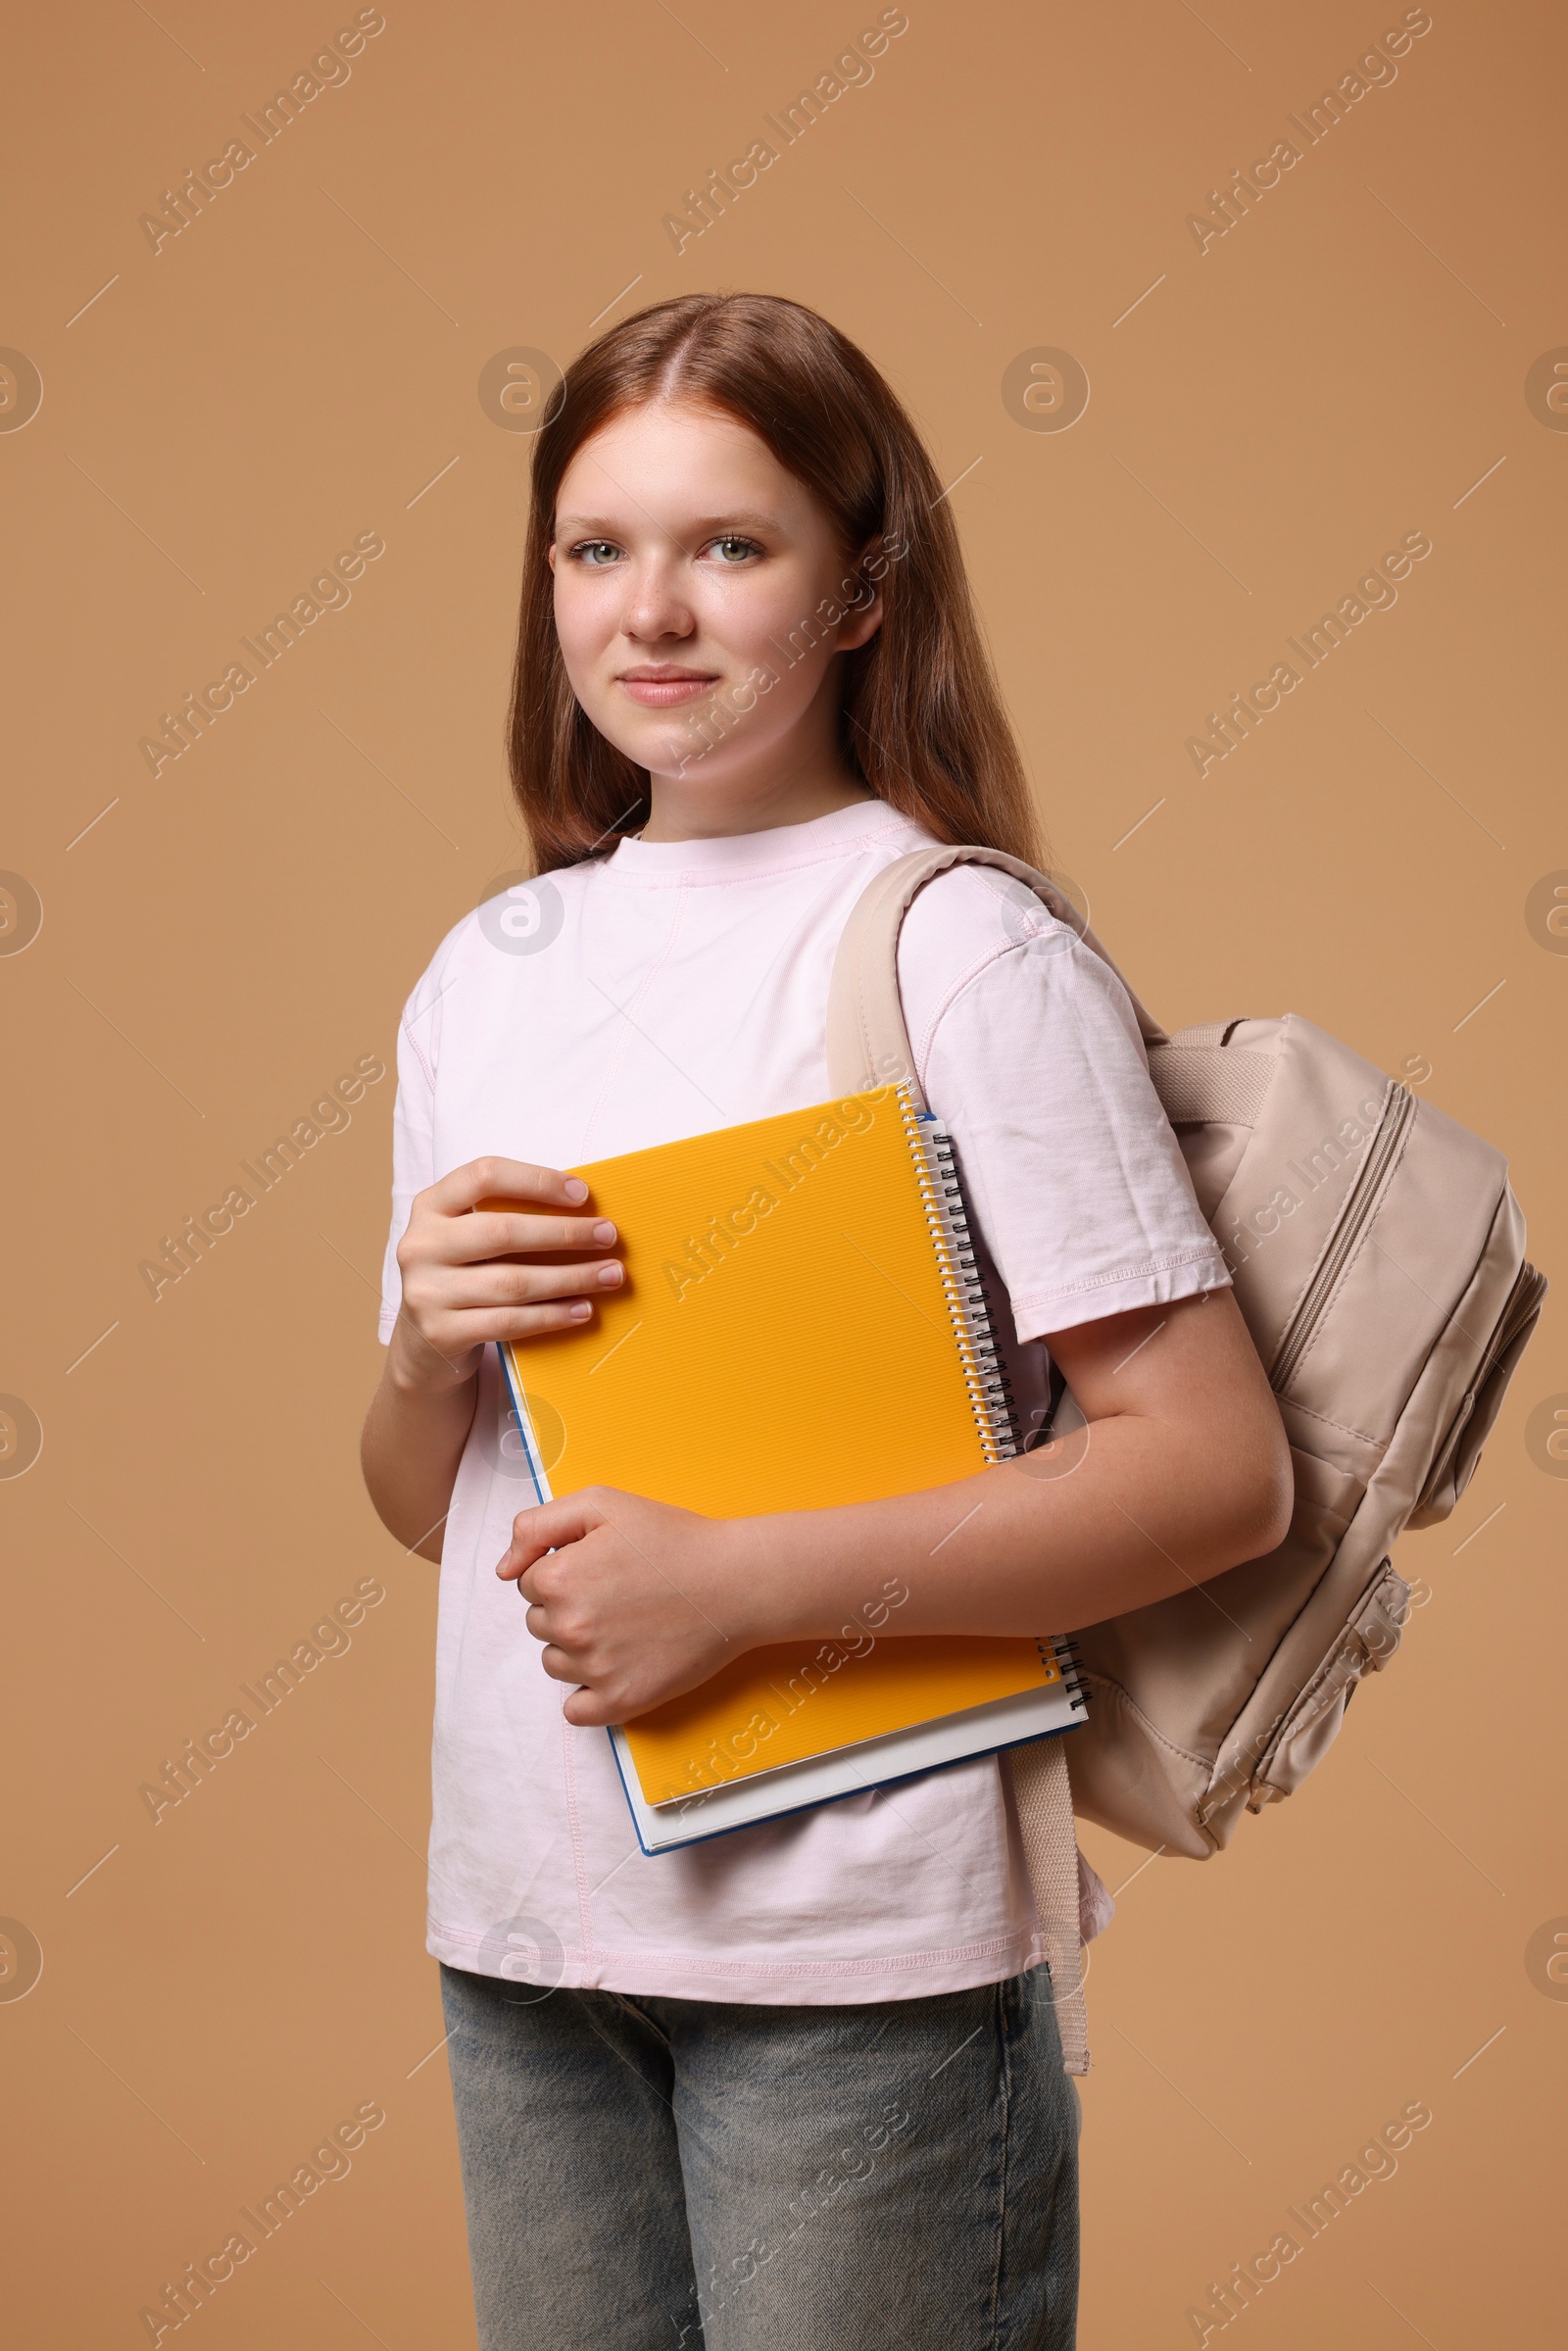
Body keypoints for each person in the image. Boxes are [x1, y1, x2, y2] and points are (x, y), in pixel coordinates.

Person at [361, 292, 1292, 2351]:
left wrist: (739, 1592)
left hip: (852, 1949)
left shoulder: (950, 946)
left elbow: (1210, 1468)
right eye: (597, 549)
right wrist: (422, 1353)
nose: (652, 612)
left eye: (731, 545)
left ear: (861, 590)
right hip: (522, 1930)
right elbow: (429, 1502)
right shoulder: (490, 966)